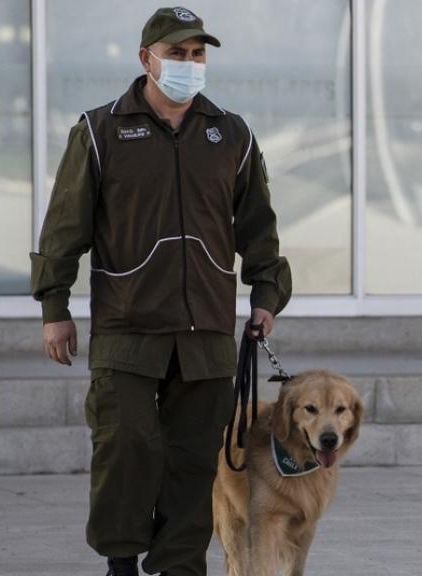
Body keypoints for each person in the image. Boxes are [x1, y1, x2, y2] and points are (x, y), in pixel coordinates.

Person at [30, 7, 291, 576]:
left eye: (198, 54)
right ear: (146, 58)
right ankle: (120, 563)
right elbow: (63, 227)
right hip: (128, 328)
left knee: (195, 463)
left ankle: (178, 567)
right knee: (125, 450)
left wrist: (267, 292)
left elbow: (257, 226)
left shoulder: (232, 135)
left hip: (207, 334)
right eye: (177, 53)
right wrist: (56, 307)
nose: (190, 64)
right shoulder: (99, 131)